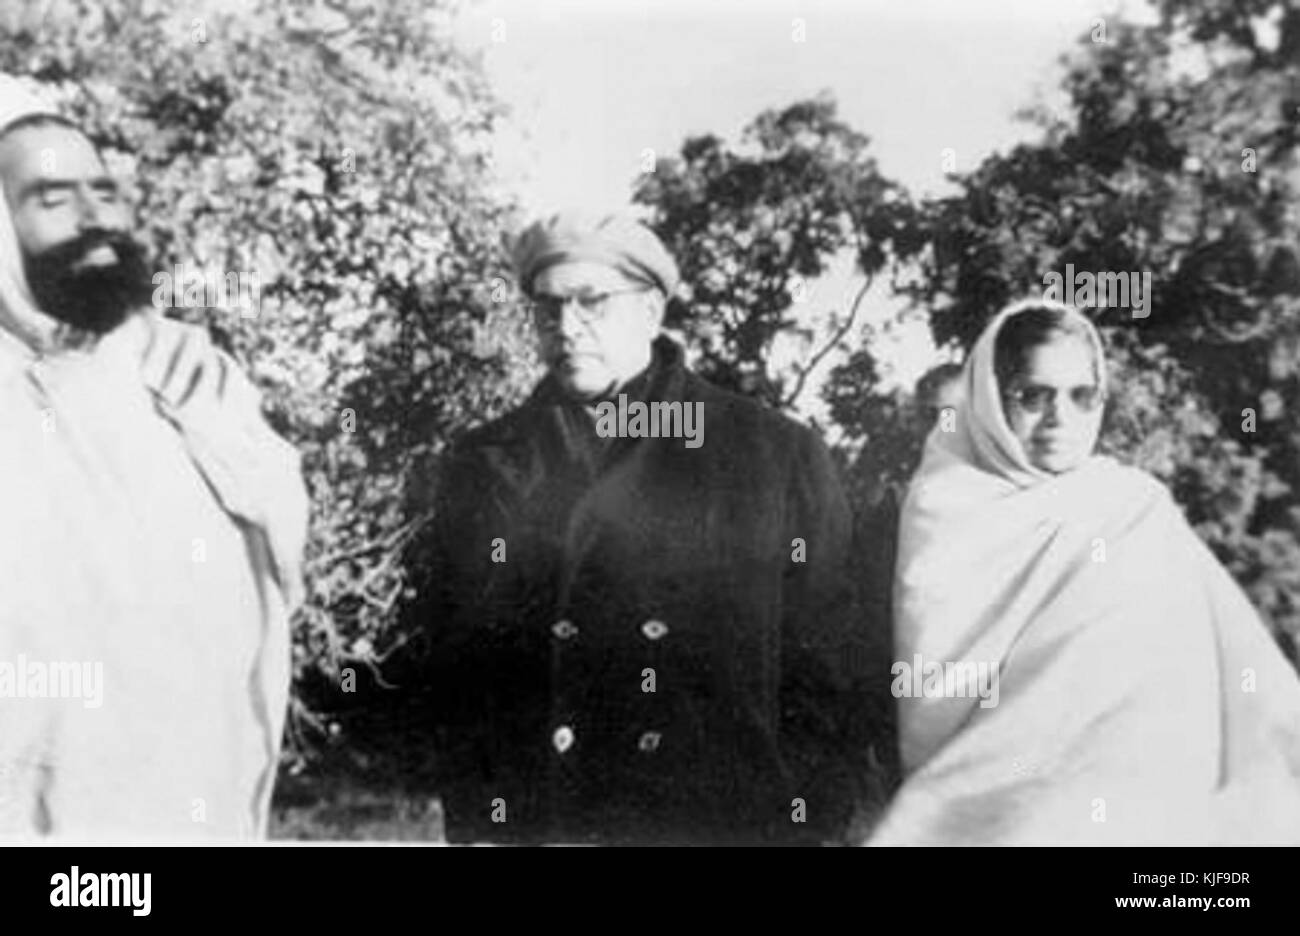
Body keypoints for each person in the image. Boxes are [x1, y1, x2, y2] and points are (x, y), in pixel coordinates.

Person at [405, 211, 874, 844]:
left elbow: (831, 669)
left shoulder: (768, 453)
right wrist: (477, 814)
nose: (567, 328)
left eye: (592, 302)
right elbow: (453, 670)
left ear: (651, 313)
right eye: (548, 309)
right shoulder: (480, 461)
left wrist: (809, 822)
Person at [867, 297, 1300, 845]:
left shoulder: (1133, 506)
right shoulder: (944, 504)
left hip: (1143, 807)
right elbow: (937, 695)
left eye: (1081, 396)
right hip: (987, 813)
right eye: (1033, 396)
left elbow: (1232, 675)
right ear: (992, 400)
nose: (1059, 419)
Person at [0, 77, 308, 841]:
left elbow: (281, 553)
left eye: (102, 189)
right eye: (51, 197)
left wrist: (221, 428)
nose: (94, 215)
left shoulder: (186, 373)